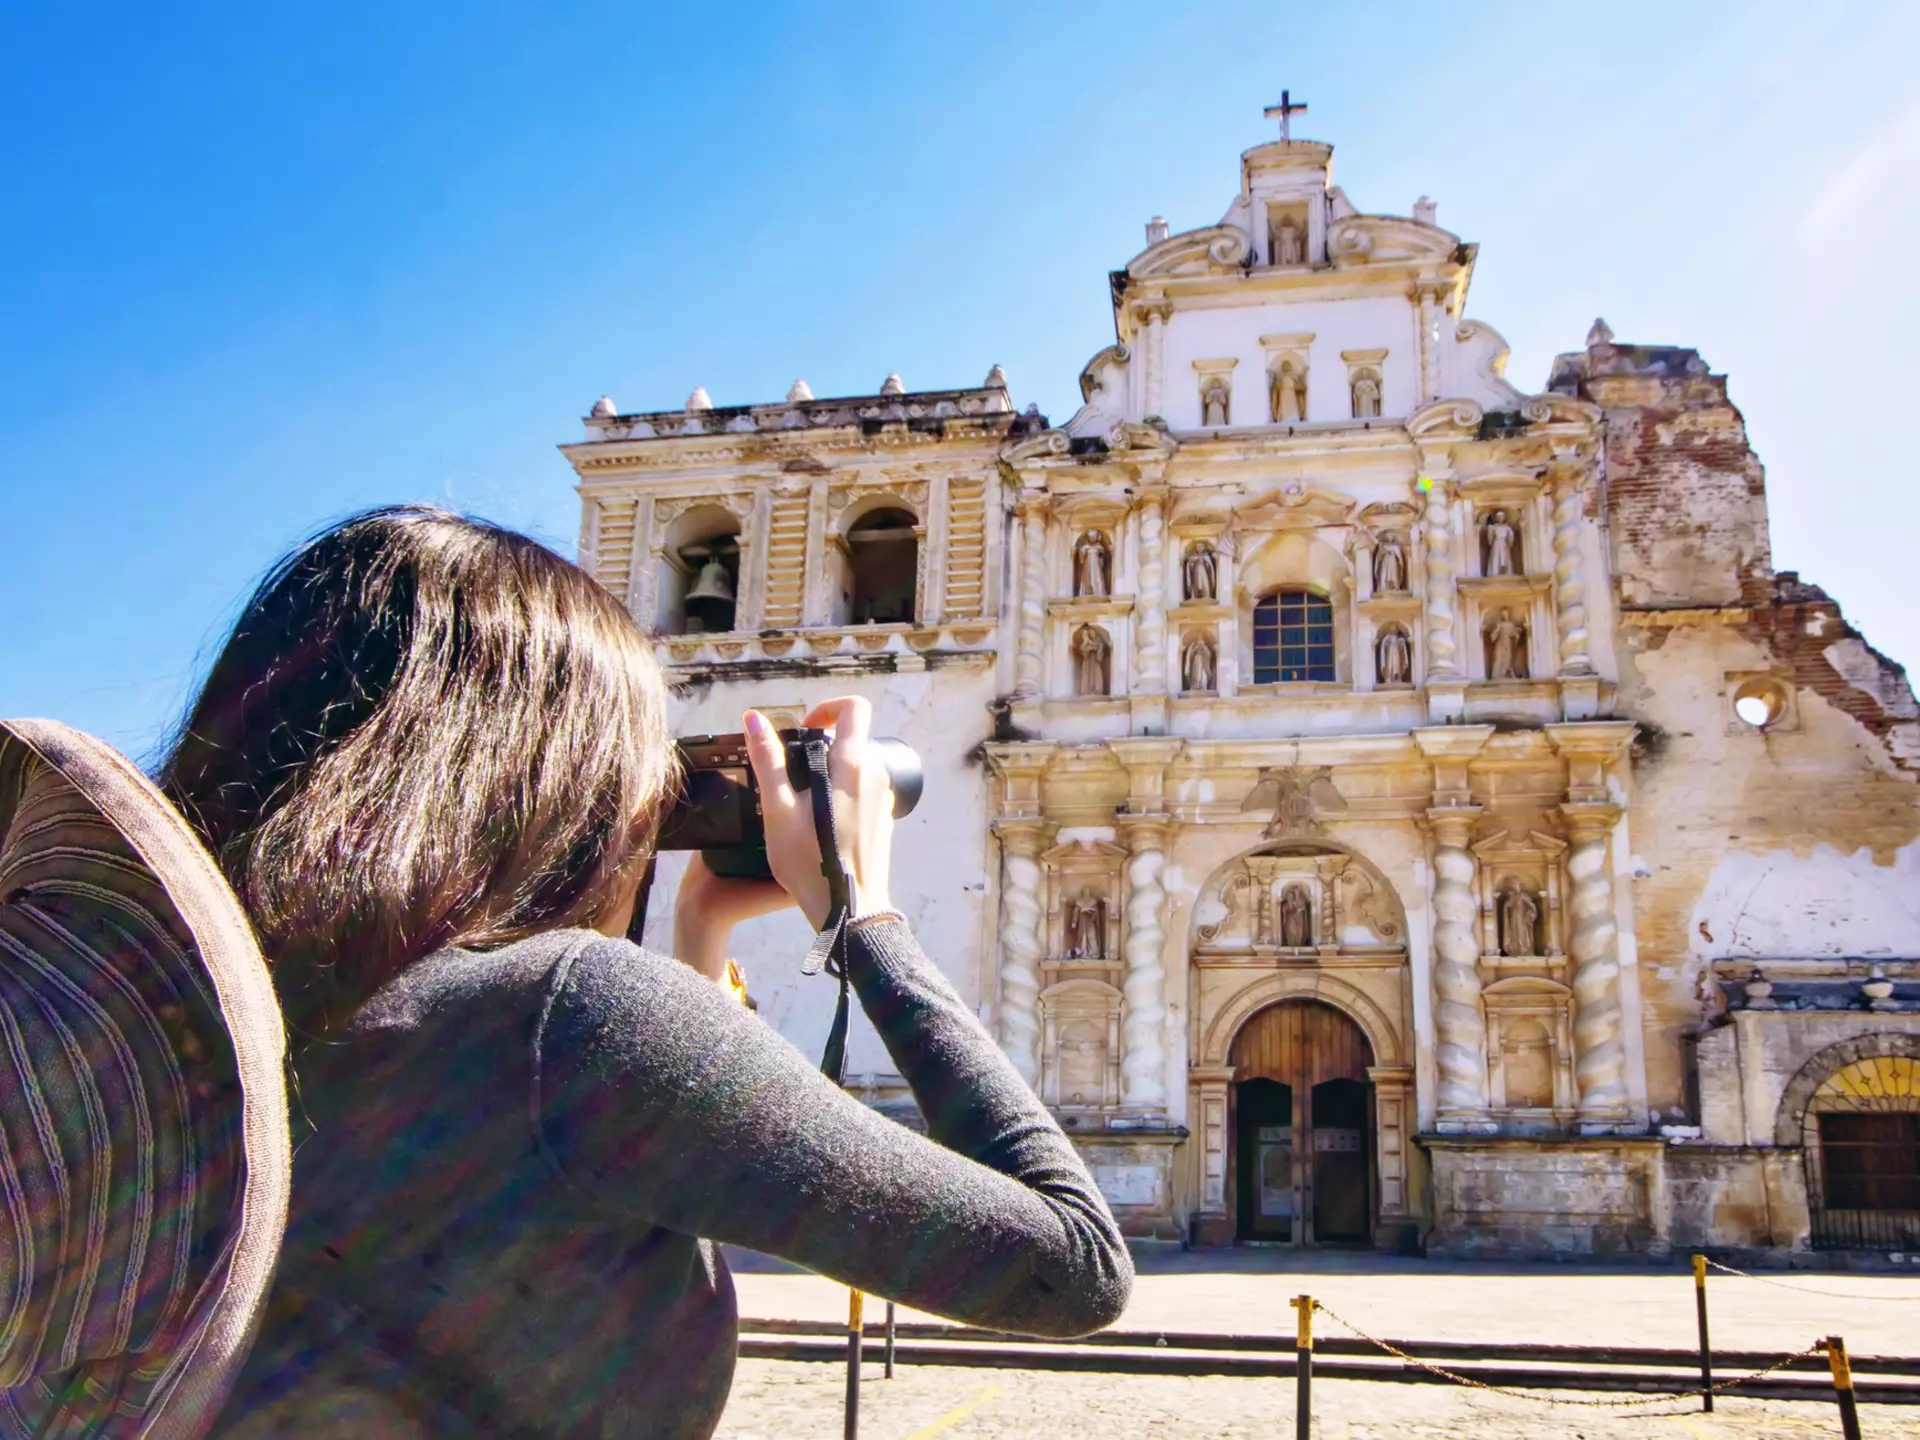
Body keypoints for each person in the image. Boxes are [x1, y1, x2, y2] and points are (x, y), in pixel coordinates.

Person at [165, 507, 1131, 1439]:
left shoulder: (194, 1009)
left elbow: (602, 1160)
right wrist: (861, 914)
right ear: (559, 773)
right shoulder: (571, 1021)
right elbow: (1074, 1263)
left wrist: (698, 934)